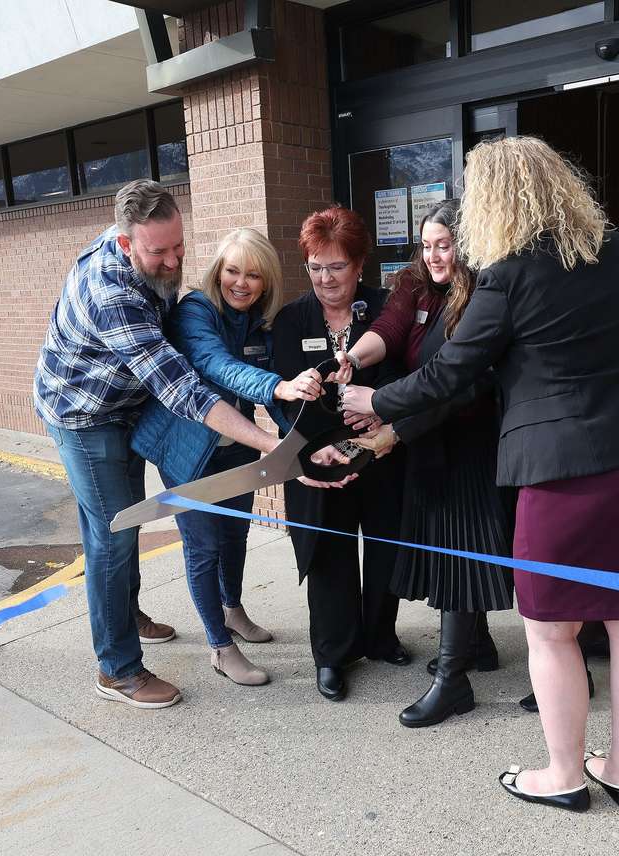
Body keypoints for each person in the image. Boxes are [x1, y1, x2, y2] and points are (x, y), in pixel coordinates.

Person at [341, 137, 619, 813]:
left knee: (551, 630)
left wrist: (377, 401)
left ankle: (564, 775)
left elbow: (454, 370)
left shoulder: (508, 272)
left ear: (494, 200)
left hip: (563, 472)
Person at [35, 180, 283, 710]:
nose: (173, 262)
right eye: (158, 252)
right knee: (113, 535)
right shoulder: (113, 295)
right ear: (126, 245)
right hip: (82, 414)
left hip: (125, 406)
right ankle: (118, 669)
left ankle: (126, 613)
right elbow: (183, 389)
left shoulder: (144, 243)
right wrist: (270, 445)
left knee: (129, 521)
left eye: (179, 247)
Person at [334, 199, 513, 727]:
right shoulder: (413, 282)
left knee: (459, 554)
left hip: (470, 440)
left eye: (445, 245)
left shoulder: (484, 292)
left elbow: (463, 385)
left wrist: (394, 429)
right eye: (427, 244)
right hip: (429, 443)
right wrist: (354, 358)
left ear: (467, 245)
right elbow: (388, 329)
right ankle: (477, 647)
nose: (434, 256)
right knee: (447, 549)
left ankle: (453, 679)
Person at [131, 228, 325, 686]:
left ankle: (232, 610)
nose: (241, 283)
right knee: (204, 548)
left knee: (236, 535)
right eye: (232, 271)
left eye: (253, 274)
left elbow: (276, 390)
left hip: (236, 445)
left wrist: (305, 442)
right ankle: (220, 648)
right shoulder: (195, 311)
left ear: (266, 281)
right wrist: (277, 387)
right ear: (218, 272)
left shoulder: (261, 320)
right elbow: (216, 365)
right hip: (185, 451)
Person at [271, 206, 410, 702]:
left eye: (337, 266)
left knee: (385, 548)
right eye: (315, 266)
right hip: (317, 463)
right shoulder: (291, 320)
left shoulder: (387, 309)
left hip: (379, 453)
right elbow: (277, 396)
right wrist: (299, 394)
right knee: (329, 556)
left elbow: (405, 368)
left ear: (359, 264)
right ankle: (332, 654)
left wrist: (380, 415)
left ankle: (379, 635)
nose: (326, 279)